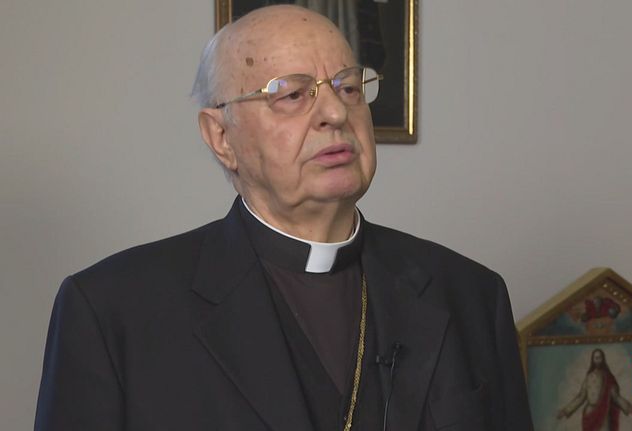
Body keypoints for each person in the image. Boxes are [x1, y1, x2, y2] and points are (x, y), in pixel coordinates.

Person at [34, 5, 532, 431]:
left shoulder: (471, 295)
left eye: (349, 87)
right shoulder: (112, 311)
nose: (335, 113)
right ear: (221, 137)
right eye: (292, 94)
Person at [556, 349, 632, 431]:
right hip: (589, 413)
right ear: (593, 360)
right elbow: (581, 397)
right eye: (595, 358)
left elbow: (616, 397)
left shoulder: (608, 378)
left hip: (603, 413)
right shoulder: (589, 377)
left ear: (602, 359)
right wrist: (565, 411)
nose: (597, 360)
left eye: (599, 357)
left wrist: (628, 408)